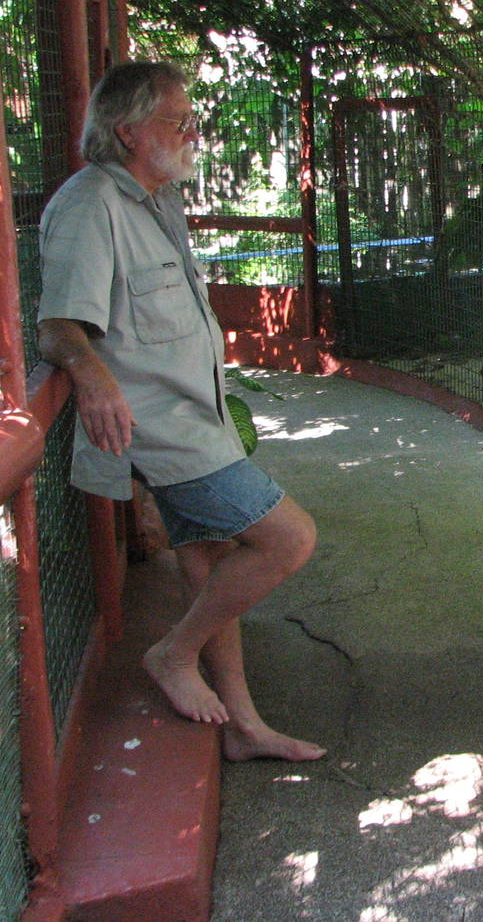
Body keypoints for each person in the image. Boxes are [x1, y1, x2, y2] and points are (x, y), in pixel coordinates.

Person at [38, 60, 326, 764]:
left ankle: (244, 728)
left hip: (201, 416)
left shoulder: (156, 201)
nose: (195, 132)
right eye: (180, 121)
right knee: (288, 539)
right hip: (162, 430)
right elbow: (57, 327)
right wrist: (90, 374)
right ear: (128, 131)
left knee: (208, 558)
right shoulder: (90, 204)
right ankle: (173, 653)